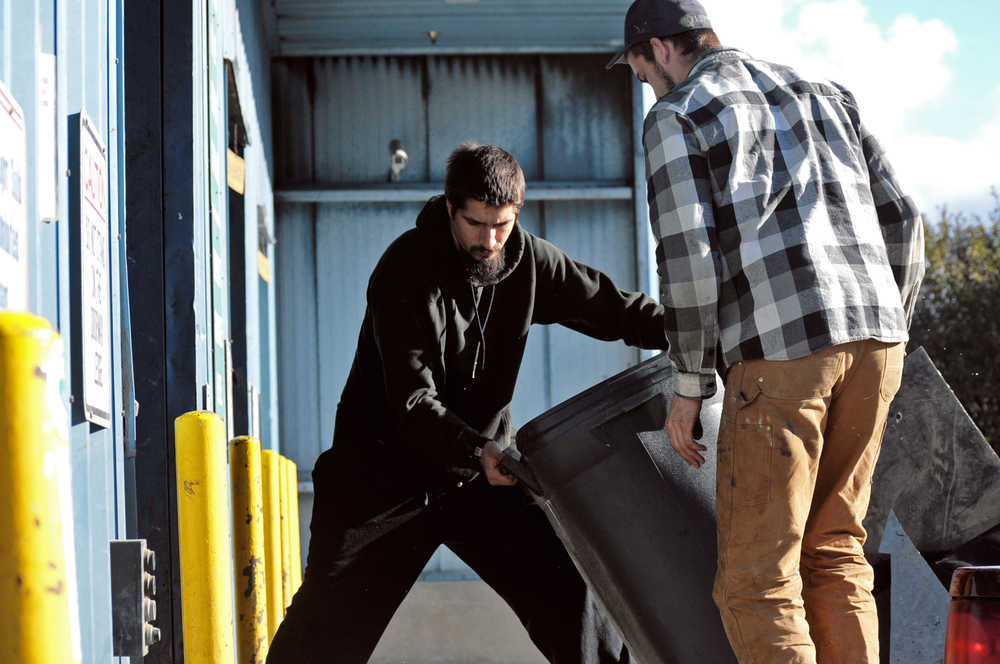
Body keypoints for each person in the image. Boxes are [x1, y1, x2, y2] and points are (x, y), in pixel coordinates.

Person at [608, 1, 925, 662]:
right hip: (876, 342)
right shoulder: (827, 93)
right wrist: (885, 329)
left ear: (661, 50)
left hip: (782, 356)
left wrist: (690, 384)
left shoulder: (678, 113)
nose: (649, 91)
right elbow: (904, 219)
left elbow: (689, 260)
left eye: (642, 75)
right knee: (836, 553)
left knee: (756, 584)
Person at [266, 143, 668, 663]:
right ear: (451, 208)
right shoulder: (406, 270)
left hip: (479, 479)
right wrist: (475, 447)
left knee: (572, 602)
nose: (489, 240)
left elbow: (611, 309)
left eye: (502, 224)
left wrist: (695, 333)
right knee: (324, 632)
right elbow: (412, 399)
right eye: (476, 224)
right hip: (381, 482)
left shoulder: (527, 260)